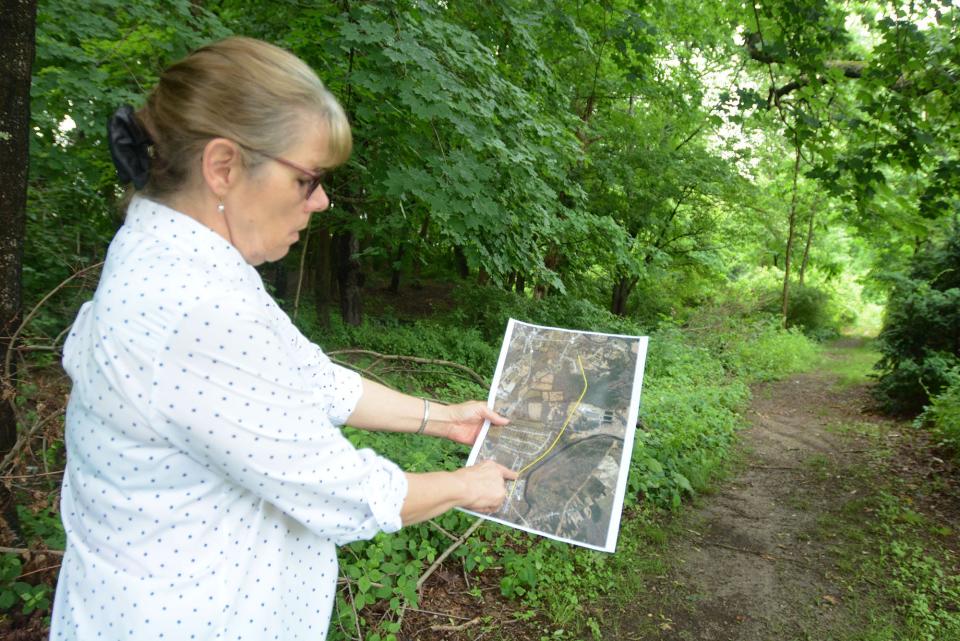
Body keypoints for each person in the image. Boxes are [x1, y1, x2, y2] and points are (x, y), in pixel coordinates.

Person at [50, 36, 516, 640]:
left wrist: (443, 418)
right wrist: (465, 486)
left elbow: (310, 377)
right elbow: (339, 492)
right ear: (223, 167)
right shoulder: (192, 305)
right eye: (308, 179)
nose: (321, 202)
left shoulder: (179, 257)